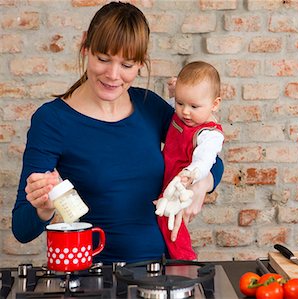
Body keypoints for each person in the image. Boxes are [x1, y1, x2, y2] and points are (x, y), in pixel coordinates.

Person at [11, 1, 223, 264]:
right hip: (92, 277)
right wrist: (42, 210)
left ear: (140, 64)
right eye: (103, 59)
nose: (113, 75)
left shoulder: (150, 106)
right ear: (86, 46)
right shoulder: (52, 120)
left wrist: (202, 184)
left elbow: (210, 156)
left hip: (161, 274)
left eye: (127, 65)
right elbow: (21, 229)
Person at [155, 61, 223, 260]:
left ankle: (185, 259)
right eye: (180, 103)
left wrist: (192, 175)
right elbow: (171, 107)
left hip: (181, 182)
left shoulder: (209, 134)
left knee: (172, 224)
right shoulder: (183, 115)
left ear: (215, 104)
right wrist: (173, 94)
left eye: (194, 106)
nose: (185, 111)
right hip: (166, 175)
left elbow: (205, 160)